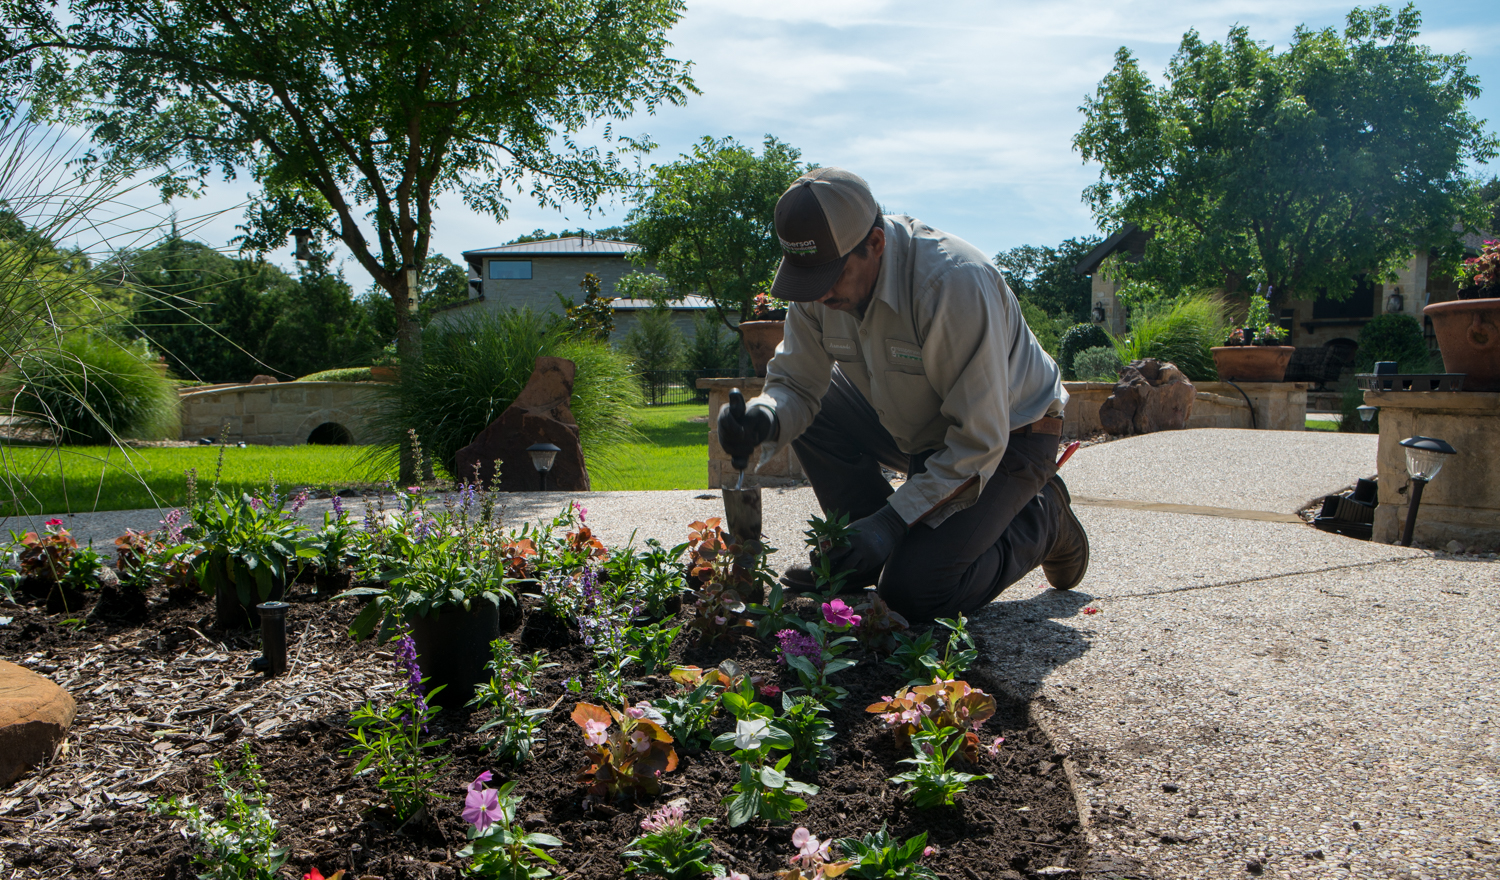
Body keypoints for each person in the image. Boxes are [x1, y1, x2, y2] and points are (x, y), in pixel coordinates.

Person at [717, 167, 1089, 623]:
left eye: (832, 275)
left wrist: (892, 523)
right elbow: (797, 382)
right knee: (821, 407)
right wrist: (765, 417)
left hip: (1012, 435)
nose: (820, 293)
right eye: (808, 278)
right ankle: (866, 548)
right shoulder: (819, 282)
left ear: (875, 243)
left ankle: (1046, 517)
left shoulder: (952, 284)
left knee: (916, 593)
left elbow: (977, 442)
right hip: (918, 431)